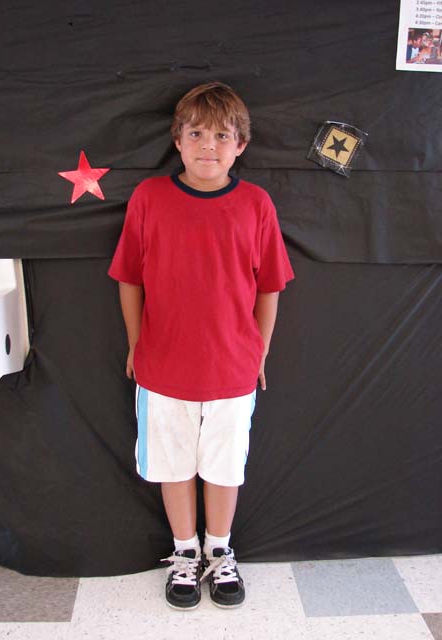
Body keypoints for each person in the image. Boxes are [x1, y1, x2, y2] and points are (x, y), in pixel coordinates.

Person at [108, 82, 294, 610]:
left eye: (221, 136)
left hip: (232, 371)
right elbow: (129, 278)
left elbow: (270, 287)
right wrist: (136, 343)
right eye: (195, 134)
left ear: (241, 145)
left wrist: (259, 353)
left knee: (224, 467)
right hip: (162, 369)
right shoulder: (149, 198)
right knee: (173, 467)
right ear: (178, 140)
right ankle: (185, 552)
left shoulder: (256, 204)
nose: (208, 145)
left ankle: (220, 550)